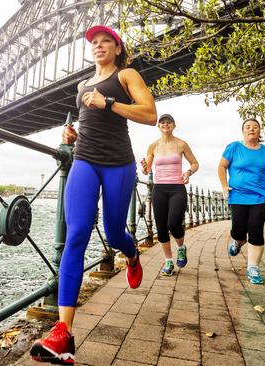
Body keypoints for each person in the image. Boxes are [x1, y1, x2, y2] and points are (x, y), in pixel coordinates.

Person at [30, 25, 157, 364]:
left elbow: (150, 114)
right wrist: (71, 134)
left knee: (115, 232)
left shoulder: (126, 75)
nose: (98, 46)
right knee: (76, 237)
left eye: (106, 41)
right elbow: (88, 119)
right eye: (94, 42)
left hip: (118, 164)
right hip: (84, 161)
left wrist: (109, 101)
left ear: (117, 48)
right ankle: (63, 333)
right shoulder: (81, 85)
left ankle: (130, 255)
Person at [217, 118, 265, 285]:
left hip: (260, 195)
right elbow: (221, 167)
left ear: (259, 131)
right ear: (243, 130)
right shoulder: (234, 147)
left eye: (255, 127)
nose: (252, 129)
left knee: (256, 229)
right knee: (238, 230)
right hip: (238, 194)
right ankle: (239, 240)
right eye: (248, 127)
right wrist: (224, 186)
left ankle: (253, 268)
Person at [140, 113, 199, 276]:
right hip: (159, 189)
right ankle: (168, 261)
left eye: (169, 122)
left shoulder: (181, 144)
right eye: (163, 122)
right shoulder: (153, 146)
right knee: (161, 228)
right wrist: (145, 167)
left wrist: (188, 172)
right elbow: (148, 170)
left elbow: (195, 163)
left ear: (174, 125)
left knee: (173, 224)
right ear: (158, 126)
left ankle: (181, 248)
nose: (165, 124)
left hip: (177, 188)